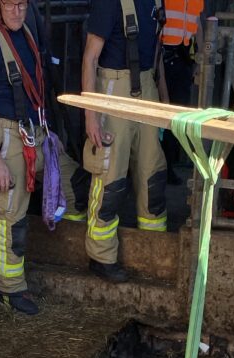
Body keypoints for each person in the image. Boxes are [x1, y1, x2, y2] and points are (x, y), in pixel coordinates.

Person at [0, 0, 88, 316]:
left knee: (75, 183)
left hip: (36, 131)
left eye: (22, 3)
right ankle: (10, 288)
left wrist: (48, 132)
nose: (17, 10)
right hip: (7, 137)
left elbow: (34, 90)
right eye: (10, 4)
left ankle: (70, 251)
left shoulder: (27, 33)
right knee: (11, 214)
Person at [81, 0, 168, 282]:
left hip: (148, 87)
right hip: (112, 91)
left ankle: (154, 251)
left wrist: (163, 98)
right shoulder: (109, 3)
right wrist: (91, 115)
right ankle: (101, 256)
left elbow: (157, 51)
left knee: (152, 173)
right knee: (111, 178)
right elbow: (90, 58)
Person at [159, 0, 203, 184]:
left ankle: (168, 167)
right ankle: (156, 168)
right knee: (160, 114)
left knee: (177, 116)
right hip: (162, 56)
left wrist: (201, 58)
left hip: (184, 58)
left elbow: (197, 22)